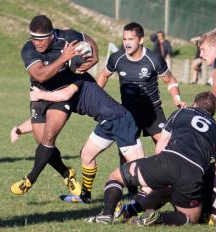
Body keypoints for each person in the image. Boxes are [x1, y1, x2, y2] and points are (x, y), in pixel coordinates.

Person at [84, 91, 216, 229]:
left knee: (116, 177)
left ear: (195, 104)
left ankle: (106, 215)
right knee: (190, 218)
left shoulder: (181, 113)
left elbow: (160, 146)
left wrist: (159, 172)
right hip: (192, 175)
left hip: (167, 161)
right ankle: (155, 218)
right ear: (212, 112)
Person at [12, 72, 145, 203]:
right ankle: (85, 196)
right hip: (105, 123)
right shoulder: (60, 89)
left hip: (120, 121)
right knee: (86, 155)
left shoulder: (77, 78)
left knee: (140, 167)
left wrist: (39, 94)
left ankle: (150, 197)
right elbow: (44, 120)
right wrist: (19, 129)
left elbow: (65, 94)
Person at [10, 15, 98, 196]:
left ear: (51, 35)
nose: (37, 43)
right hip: (39, 96)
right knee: (43, 144)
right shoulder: (28, 50)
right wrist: (63, 58)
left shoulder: (66, 37)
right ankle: (67, 174)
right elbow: (40, 75)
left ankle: (29, 179)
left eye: (41, 39)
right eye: (34, 38)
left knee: (48, 139)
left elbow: (88, 39)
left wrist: (94, 58)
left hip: (62, 95)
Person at [97, 22, 185, 145]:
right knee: (126, 152)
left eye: (131, 39)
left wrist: (176, 98)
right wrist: (95, 96)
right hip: (128, 111)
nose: (127, 43)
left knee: (165, 146)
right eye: (124, 39)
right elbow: (103, 75)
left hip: (152, 110)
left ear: (141, 40)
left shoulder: (154, 59)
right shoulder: (116, 58)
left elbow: (170, 80)